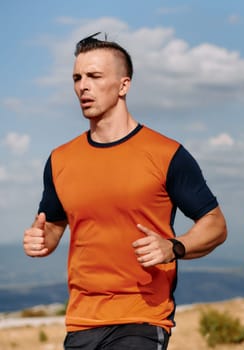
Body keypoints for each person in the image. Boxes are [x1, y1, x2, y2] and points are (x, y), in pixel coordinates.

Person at [23, 32, 227, 350]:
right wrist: (40, 240)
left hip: (142, 316)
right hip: (82, 320)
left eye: (94, 76)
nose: (82, 86)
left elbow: (215, 224)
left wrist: (174, 246)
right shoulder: (60, 159)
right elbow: (52, 227)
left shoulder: (166, 153)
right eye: (77, 77)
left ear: (123, 85)